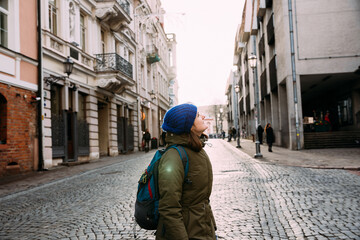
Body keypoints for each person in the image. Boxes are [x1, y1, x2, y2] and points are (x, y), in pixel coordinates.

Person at [156, 103, 217, 239]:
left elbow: (200, 200)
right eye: (197, 115)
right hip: (187, 234)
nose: (203, 116)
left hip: (202, 230)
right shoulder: (173, 157)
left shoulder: (196, 149)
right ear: (188, 125)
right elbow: (169, 208)